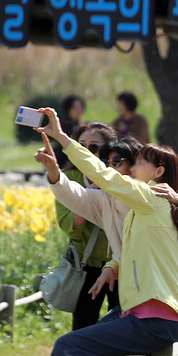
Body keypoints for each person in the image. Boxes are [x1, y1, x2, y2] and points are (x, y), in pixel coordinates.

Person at [35, 107, 178, 356]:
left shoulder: (151, 198)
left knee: (68, 345)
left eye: (139, 163)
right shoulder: (142, 210)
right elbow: (82, 197)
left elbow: (102, 175)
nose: (130, 169)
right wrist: (112, 266)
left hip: (153, 318)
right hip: (146, 313)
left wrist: (61, 136)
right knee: (82, 344)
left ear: (158, 172)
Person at [42, 136, 178, 324]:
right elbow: (74, 196)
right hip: (150, 288)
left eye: (117, 162)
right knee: (116, 331)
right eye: (106, 162)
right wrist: (53, 171)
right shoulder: (107, 200)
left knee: (123, 331)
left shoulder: (155, 197)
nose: (110, 168)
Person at [56, 122, 117, 330]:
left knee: (121, 325)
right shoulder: (68, 179)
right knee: (82, 325)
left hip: (120, 264)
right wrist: (90, 193)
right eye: (81, 145)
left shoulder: (120, 179)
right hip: (84, 264)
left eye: (94, 147)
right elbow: (68, 225)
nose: (86, 151)